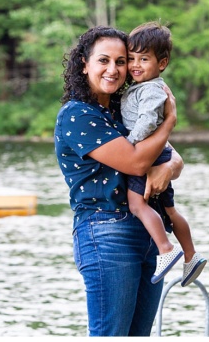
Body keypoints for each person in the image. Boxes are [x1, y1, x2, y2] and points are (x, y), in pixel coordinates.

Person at [55, 26, 183, 336]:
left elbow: (172, 159)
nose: (113, 69)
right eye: (103, 60)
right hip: (106, 231)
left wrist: (170, 166)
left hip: (147, 232)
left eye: (121, 61)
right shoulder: (77, 115)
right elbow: (138, 161)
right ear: (84, 64)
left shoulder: (122, 108)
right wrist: (169, 121)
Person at [121, 22, 207, 287]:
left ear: (162, 63)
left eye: (143, 59)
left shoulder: (150, 89)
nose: (135, 65)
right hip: (161, 153)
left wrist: (129, 143)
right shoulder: (144, 86)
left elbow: (147, 121)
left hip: (150, 155)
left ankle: (165, 248)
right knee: (169, 209)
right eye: (131, 58)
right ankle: (191, 255)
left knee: (138, 204)